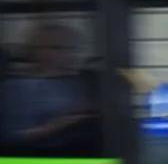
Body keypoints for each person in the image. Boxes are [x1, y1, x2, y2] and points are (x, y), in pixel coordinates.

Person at [0, 22, 96, 155]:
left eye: (72, 49)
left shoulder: (80, 82)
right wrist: (54, 127)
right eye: (58, 48)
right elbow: (11, 137)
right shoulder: (18, 87)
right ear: (37, 52)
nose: (69, 54)